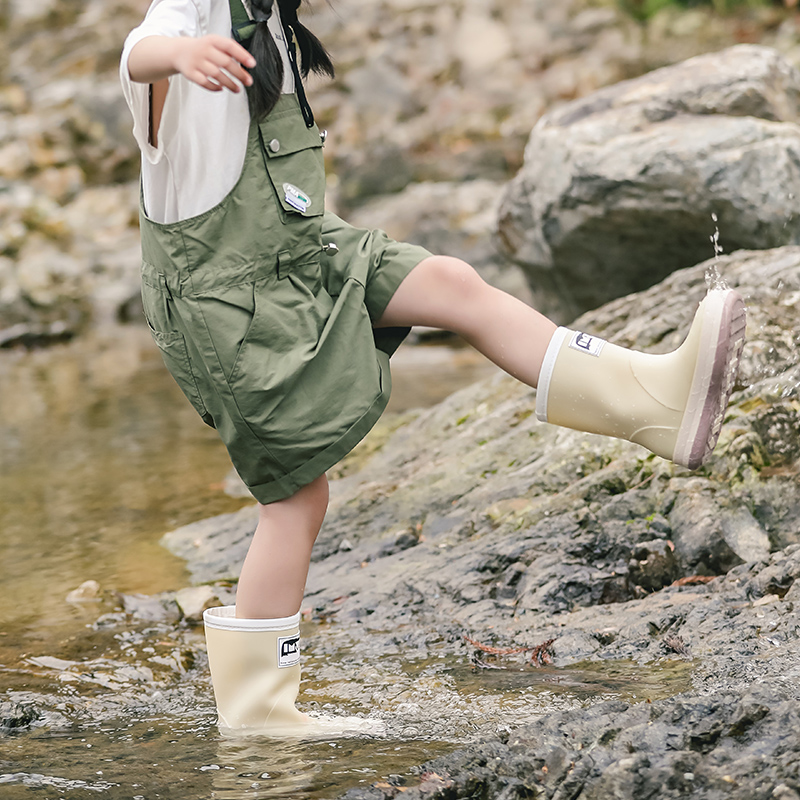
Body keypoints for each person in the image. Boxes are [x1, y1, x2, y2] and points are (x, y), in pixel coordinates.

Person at [120, 0, 746, 736]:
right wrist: (179, 59)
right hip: (227, 302)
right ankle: (259, 714)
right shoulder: (192, 14)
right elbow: (141, 47)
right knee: (295, 496)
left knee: (451, 282)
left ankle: (657, 404)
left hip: (303, 251)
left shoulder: (271, 20)